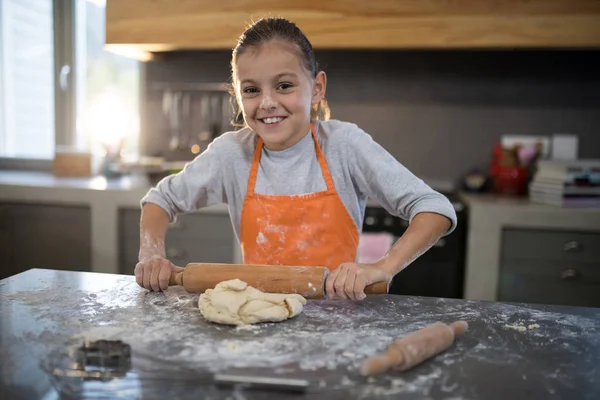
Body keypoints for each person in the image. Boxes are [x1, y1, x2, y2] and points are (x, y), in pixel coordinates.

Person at [135, 17, 457, 300]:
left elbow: (435, 209)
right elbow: (160, 200)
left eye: (284, 85)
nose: (267, 102)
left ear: (317, 88)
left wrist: (383, 267)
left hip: (338, 324)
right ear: (238, 94)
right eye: (251, 90)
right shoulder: (232, 154)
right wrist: (152, 255)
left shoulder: (344, 146)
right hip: (259, 323)